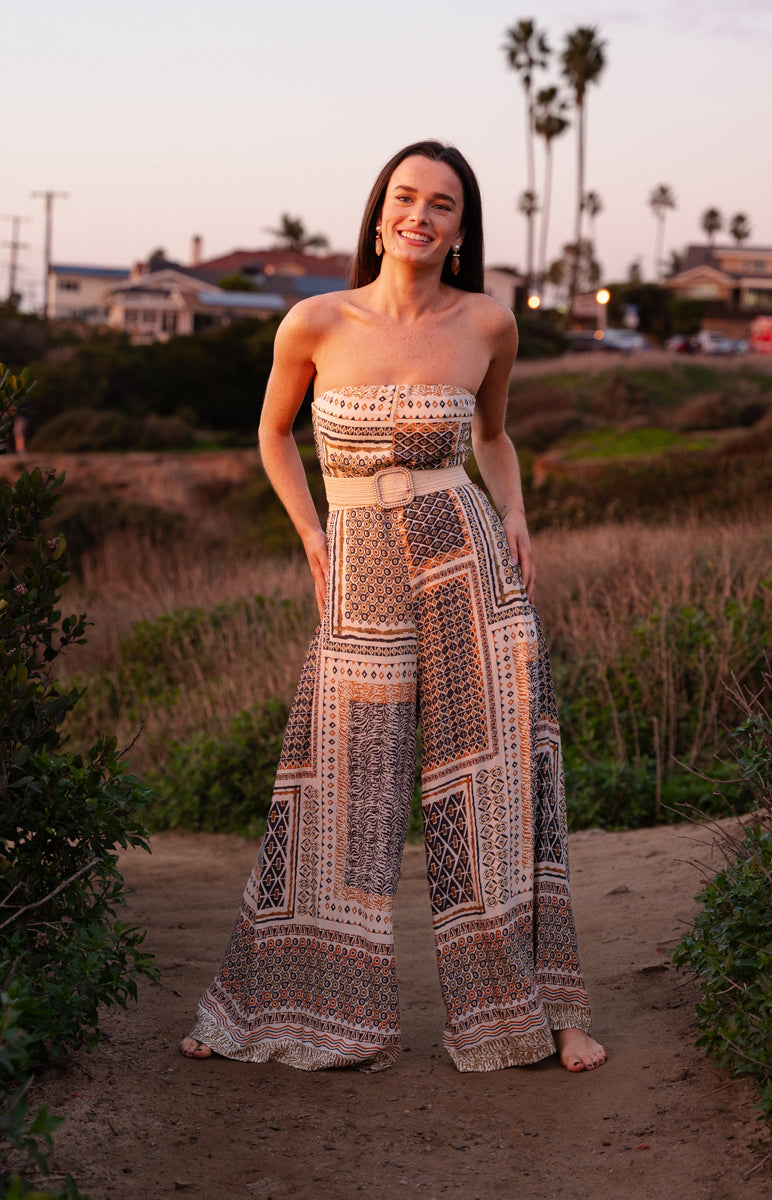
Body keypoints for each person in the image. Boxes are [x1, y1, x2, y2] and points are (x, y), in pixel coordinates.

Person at [180, 140, 606, 1074]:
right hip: (361, 566)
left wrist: (519, 512)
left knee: (497, 788)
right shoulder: (315, 321)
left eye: (444, 204)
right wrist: (312, 535)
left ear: (460, 229)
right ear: (379, 213)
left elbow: (492, 437)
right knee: (336, 786)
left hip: (471, 567)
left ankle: (539, 1014)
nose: (422, 214)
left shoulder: (489, 323)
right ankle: (286, 1002)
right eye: (407, 197)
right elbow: (272, 432)